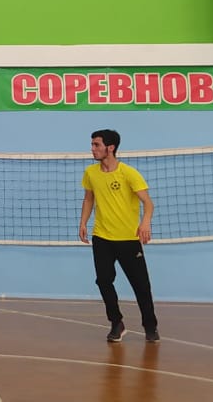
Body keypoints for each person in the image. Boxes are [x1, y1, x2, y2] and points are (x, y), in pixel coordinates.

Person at [78, 129, 159, 343]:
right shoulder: (91, 173)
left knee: (141, 286)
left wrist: (145, 222)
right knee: (103, 280)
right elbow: (89, 199)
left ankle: (150, 326)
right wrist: (83, 222)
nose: (92, 149)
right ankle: (116, 322)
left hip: (128, 239)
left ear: (110, 147)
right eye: (92, 144)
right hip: (102, 237)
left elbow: (148, 203)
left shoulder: (128, 173)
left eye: (96, 145)